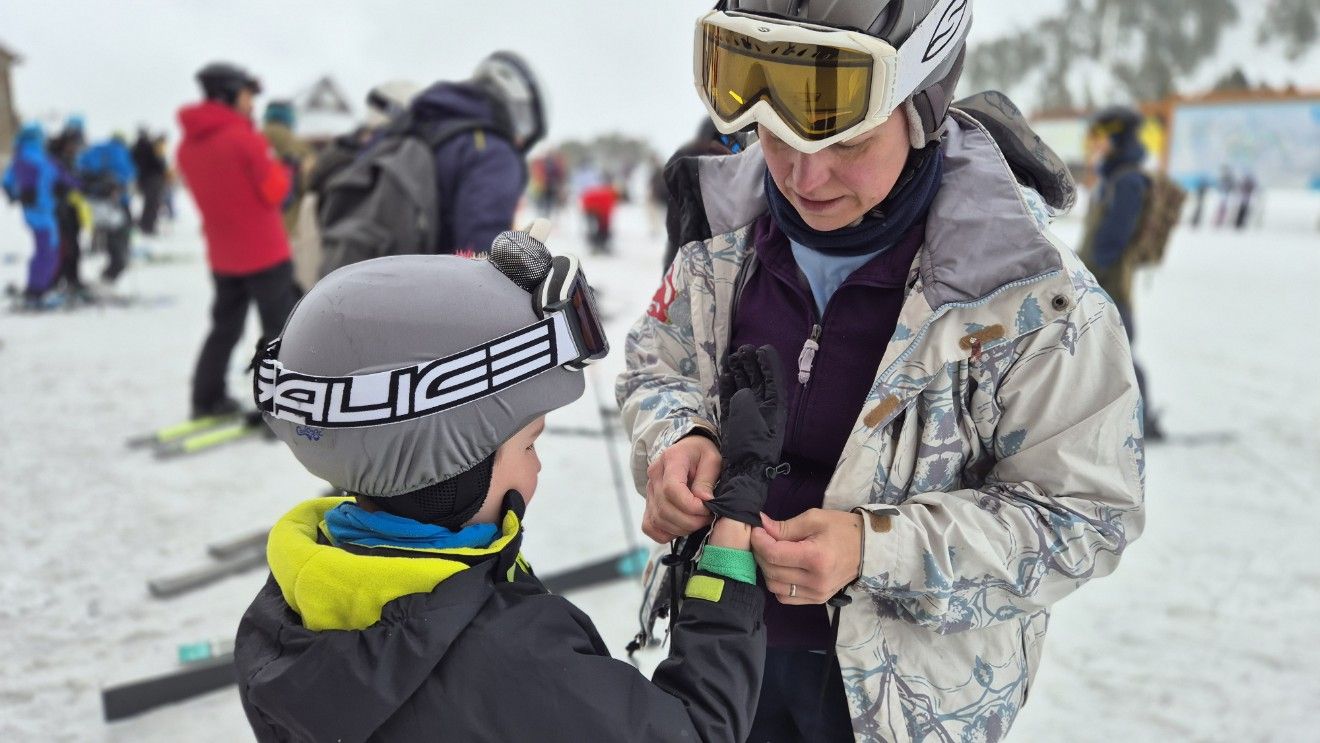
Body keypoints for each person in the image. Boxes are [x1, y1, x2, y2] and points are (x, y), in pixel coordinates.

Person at [617, 2, 1146, 740]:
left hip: (904, 700)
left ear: (920, 108)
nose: (804, 174)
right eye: (775, 132)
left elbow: (1086, 513)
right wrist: (680, 437)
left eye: (847, 139)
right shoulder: (720, 238)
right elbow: (656, 365)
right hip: (716, 657)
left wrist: (875, 548)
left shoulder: (1030, 297)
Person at [235, 227, 774, 742]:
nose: (537, 468)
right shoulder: (516, 660)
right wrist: (734, 524)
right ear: (450, 463)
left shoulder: (285, 610)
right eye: (529, 445)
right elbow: (698, 731)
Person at [176, 61, 295, 418]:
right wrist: (286, 170)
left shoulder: (186, 147)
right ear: (228, 94)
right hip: (266, 253)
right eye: (247, 95)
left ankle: (206, 398)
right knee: (279, 331)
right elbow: (275, 192)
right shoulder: (244, 139)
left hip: (224, 255)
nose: (251, 104)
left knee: (225, 329)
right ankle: (280, 403)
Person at [1079, 105, 1164, 441]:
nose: (1095, 142)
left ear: (1117, 136)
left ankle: (1144, 421)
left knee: (1121, 351)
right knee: (1106, 352)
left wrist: (1087, 274)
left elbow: (1113, 237)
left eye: (1100, 135)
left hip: (1111, 283)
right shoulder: (1114, 176)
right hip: (1101, 280)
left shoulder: (1127, 180)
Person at [409, 50, 545, 257]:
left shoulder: (424, 130)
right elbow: (483, 248)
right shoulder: (492, 151)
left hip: (373, 271)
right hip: (429, 276)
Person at [3, 123, 75, 309]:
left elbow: (7, 182)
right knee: (47, 251)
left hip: (34, 211)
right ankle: (36, 292)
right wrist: (70, 185)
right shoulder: (37, 158)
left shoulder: (19, 157)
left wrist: (16, 194)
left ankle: (37, 289)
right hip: (42, 211)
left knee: (46, 250)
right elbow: (59, 176)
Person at [77, 133, 136, 287]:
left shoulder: (95, 150)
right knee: (121, 235)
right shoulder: (120, 152)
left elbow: (81, 168)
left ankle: (107, 266)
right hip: (116, 203)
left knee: (107, 234)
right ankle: (110, 274)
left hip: (95, 203)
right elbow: (129, 172)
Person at [47, 116, 90, 298]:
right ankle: (58, 280)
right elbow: (66, 179)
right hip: (59, 209)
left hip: (71, 208)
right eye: (75, 145)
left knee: (73, 245)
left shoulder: (68, 157)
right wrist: (83, 184)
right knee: (65, 246)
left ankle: (73, 278)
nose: (76, 149)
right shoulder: (55, 158)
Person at [261, 100, 314, 237]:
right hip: (287, 220)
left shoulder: (254, 138)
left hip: (257, 221)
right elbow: (308, 183)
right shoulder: (298, 145)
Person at [131, 127, 168, 235]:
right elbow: (158, 163)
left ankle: (144, 225)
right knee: (153, 204)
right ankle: (148, 227)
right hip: (154, 179)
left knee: (148, 203)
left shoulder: (135, 148)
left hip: (142, 179)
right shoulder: (151, 146)